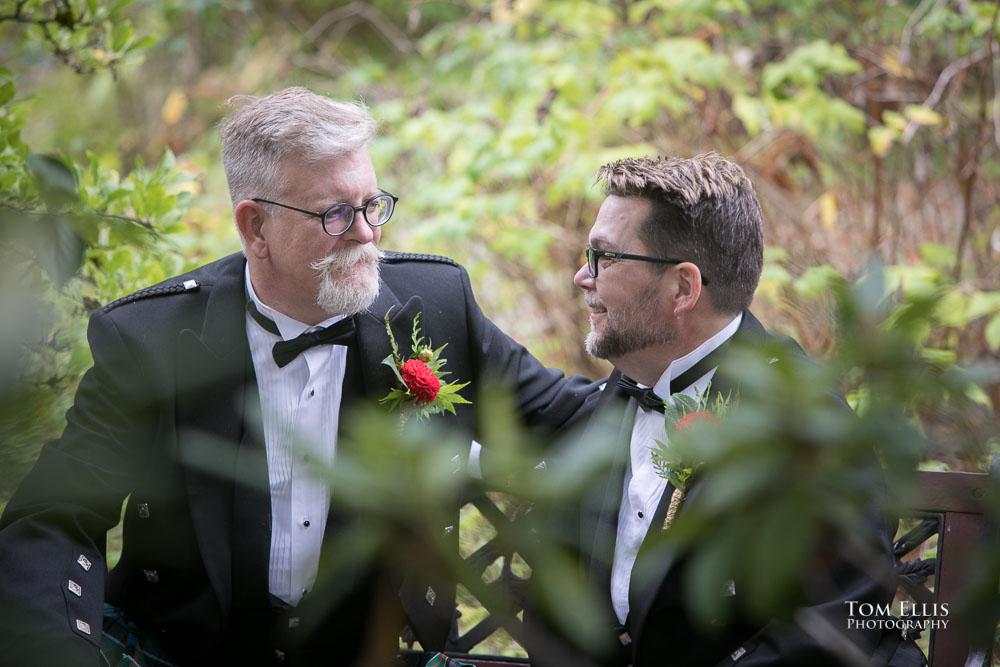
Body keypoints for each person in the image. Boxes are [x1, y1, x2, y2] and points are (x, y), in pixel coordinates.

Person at [0, 87, 598, 667]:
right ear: (255, 227)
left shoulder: (433, 308)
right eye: (336, 213)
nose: (366, 233)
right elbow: (53, 516)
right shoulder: (153, 340)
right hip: (181, 650)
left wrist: (682, 383)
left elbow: (566, 419)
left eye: (373, 204)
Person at [525, 154, 905, 666]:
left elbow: (831, 626)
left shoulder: (803, 422)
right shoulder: (619, 396)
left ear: (682, 288)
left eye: (604, 257)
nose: (581, 277)